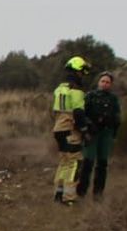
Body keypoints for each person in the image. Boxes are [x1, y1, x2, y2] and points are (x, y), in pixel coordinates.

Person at [75, 71, 121, 200]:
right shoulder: (90, 96)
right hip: (92, 133)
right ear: (98, 82)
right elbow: (82, 113)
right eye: (103, 81)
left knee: (102, 164)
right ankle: (81, 192)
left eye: (108, 82)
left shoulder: (113, 98)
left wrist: (114, 132)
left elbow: (117, 116)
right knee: (88, 162)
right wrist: (87, 128)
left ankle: (98, 193)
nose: (105, 84)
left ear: (111, 84)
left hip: (106, 133)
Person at [51, 56, 89, 205]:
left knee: (64, 161)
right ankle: (69, 198)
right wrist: (85, 131)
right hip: (70, 129)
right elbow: (79, 113)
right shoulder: (76, 90)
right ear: (77, 71)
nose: (83, 76)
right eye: (82, 72)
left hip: (58, 129)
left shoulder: (59, 89)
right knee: (74, 162)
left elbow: (54, 110)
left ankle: (58, 194)